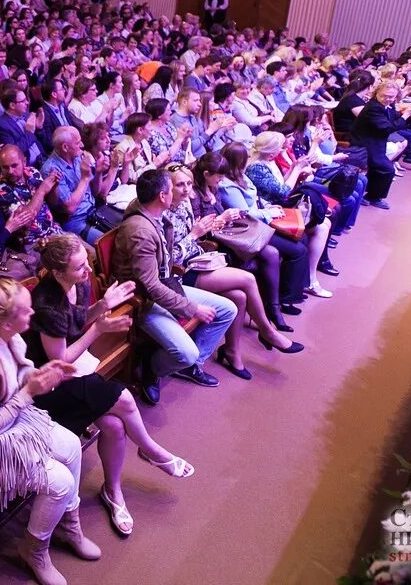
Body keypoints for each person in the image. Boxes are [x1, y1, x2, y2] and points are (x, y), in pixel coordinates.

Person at [27, 234, 195, 537]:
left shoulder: (77, 285)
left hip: (74, 373)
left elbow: (76, 323)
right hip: (47, 387)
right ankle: (152, 451)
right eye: (79, 268)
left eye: (87, 264)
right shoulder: (46, 304)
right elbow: (60, 362)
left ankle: (113, 492)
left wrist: (102, 305)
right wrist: (99, 330)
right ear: (57, 273)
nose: (87, 273)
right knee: (126, 399)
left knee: (116, 427)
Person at [0, 278, 99, 585]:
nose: (32, 315)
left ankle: (69, 525)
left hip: (9, 418)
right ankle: (34, 550)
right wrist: (30, 391)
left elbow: (18, 371)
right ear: (8, 321)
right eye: (26, 311)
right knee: (60, 482)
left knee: (72, 447)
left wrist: (40, 374)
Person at [164, 163, 304, 380]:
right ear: (167, 187)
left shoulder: (184, 205)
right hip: (179, 273)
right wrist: (194, 235)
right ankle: (268, 331)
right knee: (247, 279)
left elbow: (197, 236)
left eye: (189, 183)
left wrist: (212, 225)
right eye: (179, 185)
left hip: (197, 261)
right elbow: (168, 258)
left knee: (239, 297)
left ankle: (231, 352)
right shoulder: (163, 214)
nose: (185, 189)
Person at [110, 168, 238, 406]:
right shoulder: (141, 231)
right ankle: (153, 367)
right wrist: (191, 308)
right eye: (172, 189)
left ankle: (191, 366)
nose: (180, 194)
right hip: (143, 302)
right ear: (162, 196)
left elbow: (163, 270)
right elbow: (148, 285)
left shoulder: (152, 211)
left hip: (168, 284)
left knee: (228, 309)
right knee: (186, 351)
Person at [245, 132, 337, 294]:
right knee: (322, 226)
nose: (284, 148)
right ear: (272, 152)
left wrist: (295, 167)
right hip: (270, 213)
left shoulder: (268, 162)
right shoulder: (257, 167)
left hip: (278, 207)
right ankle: (310, 279)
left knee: (325, 220)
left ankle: (311, 275)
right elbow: (282, 192)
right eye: (280, 146)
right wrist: (298, 169)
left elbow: (281, 184)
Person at [352, 82, 411, 210]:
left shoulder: (385, 106)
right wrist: (406, 115)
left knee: (382, 168)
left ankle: (370, 195)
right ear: (377, 93)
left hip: (376, 143)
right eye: (385, 96)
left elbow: (396, 119)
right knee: (387, 169)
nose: (388, 99)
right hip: (365, 145)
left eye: (391, 97)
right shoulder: (374, 107)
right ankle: (374, 197)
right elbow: (388, 128)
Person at [40, 126, 101, 243]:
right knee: (109, 243)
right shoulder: (51, 169)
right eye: (78, 143)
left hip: (93, 210)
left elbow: (96, 192)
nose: (82, 145)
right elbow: (70, 208)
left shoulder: (78, 158)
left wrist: (99, 172)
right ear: (65, 147)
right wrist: (84, 179)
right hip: (75, 220)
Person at [0, 87, 44, 166]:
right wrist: (29, 132)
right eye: (23, 101)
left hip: (42, 158)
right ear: (12, 105)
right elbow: (15, 151)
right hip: (29, 166)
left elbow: (42, 140)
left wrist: (39, 128)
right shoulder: (1, 125)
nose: (27, 103)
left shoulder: (25, 114)